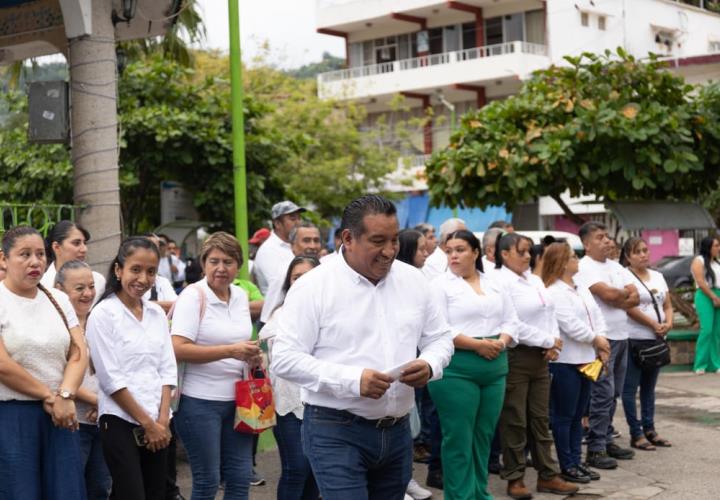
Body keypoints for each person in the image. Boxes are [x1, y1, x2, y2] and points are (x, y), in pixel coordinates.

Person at [271, 195, 454, 500]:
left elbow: (440, 337)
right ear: (348, 238)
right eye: (378, 241)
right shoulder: (313, 286)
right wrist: (353, 381)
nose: (389, 251)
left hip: (397, 431)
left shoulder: (414, 281)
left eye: (394, 240)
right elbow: (285, 359)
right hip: (335, 429)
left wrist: (430, 365)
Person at [171, 232, 263, 500]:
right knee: (207, 480)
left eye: (228, 261)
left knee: (240, 477)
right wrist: (231, 351)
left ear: (239, 265)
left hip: (240, 400)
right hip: (199, 402)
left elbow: (241, 341)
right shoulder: (193, 295)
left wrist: (251, 355)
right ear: (203, 263)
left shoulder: (239, 295)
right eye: (214, 261)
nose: (221, 268)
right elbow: (178, 348)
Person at [0, 226, 88, 499]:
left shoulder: (58, 299)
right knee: (20, 491)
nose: (35, 261)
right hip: (14, 417)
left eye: (40, 254)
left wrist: (65, 394)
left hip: (61, 415)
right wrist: (50, 395)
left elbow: (79, 351)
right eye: (24, 254)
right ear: (3, 259)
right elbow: (2, 365)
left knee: (66, 490)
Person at [86, 236, 177, 500]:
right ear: (118, 270)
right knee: (131, 494)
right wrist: (147, 423)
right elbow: (111, 379)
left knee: (156, 494)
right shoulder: (103, 314)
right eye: (135, 269)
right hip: (119, 420)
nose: (143, 278)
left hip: (158, 421)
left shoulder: (156, 314)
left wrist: (161, 420)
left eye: (150, 272)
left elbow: (167, 368)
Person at [427, 229, 515, 500]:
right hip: (457, 369)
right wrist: (478, 345)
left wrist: (499, 342)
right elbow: (438, 329)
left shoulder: (495, 282)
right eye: (449, 250)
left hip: (495, 366)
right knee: (458, 438)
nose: (453, 255)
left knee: (483, 436)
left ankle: (480, 492)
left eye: (460, 250)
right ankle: (459, 496)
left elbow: (511, 320)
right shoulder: (438, 285)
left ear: (475, 252)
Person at [494, 233, 578, 499]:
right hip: (516, 356)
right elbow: (512, 323)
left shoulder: (534, 280)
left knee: (541, 419)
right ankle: (515, 478)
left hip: (541, 358)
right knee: (515, 420)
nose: (528, 257)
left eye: (529, 251)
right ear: (505, 253)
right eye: (521, 252)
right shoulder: (500, 282)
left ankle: (548, 475)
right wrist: (547, 340)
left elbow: (549, 313)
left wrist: (553, 342)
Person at [542, 242, 611, 484]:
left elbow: (597, 315)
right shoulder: (554, 291)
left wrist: (601, 340)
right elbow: (569, 324)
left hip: (587, 359)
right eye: (572, 256)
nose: (577, 259)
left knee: (580, 413)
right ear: (561, 262)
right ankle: (567, 464)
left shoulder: (580, 288)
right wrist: (597, 340)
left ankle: (577, 461)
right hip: (566, 362)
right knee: (564, 415)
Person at [575, 222, 639, 470]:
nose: (607, 241)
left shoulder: (615, 267)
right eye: (600, 237)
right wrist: (620, 296)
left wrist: (619, 296)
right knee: (602, 393)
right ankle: (595, 448)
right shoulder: (584, 267)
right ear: (586, 243)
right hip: (602, 340)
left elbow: (635, 296)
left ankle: (606, 436)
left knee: (615, 393)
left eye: (607, 237)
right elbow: (611, 296)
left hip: (622, 337)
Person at [261, 255, 321, 500]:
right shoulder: (279, 315)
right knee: (296, 468)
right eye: (296, 277)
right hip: (288, 404)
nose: (302, 282)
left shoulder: (330, 311)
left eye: (308, 276)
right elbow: (265, 351)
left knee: (314, 471)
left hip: (322, 404)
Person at [55, 260, 112, 499]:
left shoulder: (101, 321)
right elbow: (56, 378)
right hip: (72, 424)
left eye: (91, 286)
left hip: (103, 421)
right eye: (79, 288)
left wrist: (103, 402)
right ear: (59, 289)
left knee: (100, 488)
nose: (88, 293)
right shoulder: (56, 328)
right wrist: (96, 401)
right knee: (71, 490)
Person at [620, 237, 673, 450]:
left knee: (649, 388)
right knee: (630, 388)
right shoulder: (623, 276)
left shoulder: (658, 276)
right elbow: (628, 307)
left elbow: (667, 304)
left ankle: (650, 429)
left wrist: (667, 323)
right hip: (634, 339)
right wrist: (652, 323)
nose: (643, 254)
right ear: (627, 257)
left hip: (656, 340)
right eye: (637, 252)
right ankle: (636, 432)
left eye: (645, 250)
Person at [396, 229, 434, 500]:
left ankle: (404, 479)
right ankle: (402, 480)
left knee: (411, 420)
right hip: (399, 363)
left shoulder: (420, 279)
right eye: (421, 248)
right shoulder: (397, 281)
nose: (427, 252)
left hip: (418, 361)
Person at [260, 222, 322, 324]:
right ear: (292, 245)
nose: (312, 246)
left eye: (316, 241)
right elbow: (269, 316)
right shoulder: (283, 272)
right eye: (306, 241)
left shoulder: (326, 267)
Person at [41, 220, 107, 304]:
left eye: (85, 243)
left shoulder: (98, 281)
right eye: (76, 243)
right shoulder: (42, 285)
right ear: (56, 247)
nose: (84, 249)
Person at [253, 201, 306, 295]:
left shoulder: (294, 245)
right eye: (293, 218)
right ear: (277, 223)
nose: (298, 223)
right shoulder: (268, 251)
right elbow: (282, 286)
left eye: (299, 218)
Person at [691, 235, 720, 374]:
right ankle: (700, 364)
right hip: (705, 295)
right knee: (707, 330)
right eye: (716, 245)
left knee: (717, 332)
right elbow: (701, 282)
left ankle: (715, 364)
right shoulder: (699, 260)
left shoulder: (717, 262)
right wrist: (713, 297)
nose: (718, 248)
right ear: (708, 247)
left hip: (718, 294)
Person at [143, 234, 178, 313]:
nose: (154, 250)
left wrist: (144, 304)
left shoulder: (162, 281)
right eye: (150, 246)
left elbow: (176, 305)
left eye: (156, 246)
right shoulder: (131, 281)